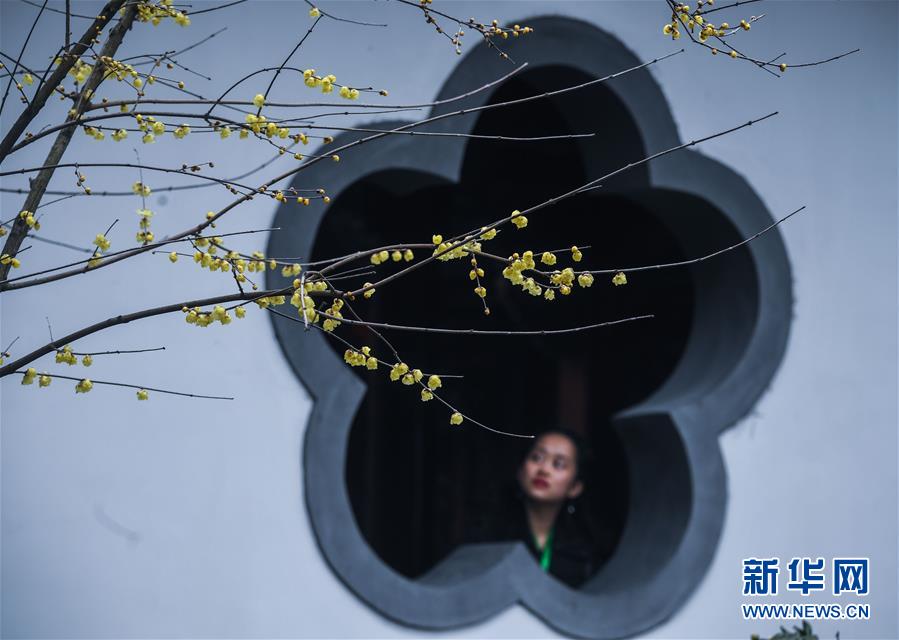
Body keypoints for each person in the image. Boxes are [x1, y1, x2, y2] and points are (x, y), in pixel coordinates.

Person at [465, 428, 610, 588]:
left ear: (575, 487)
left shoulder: (585, 551)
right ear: (520, 471)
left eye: (559, 464)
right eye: (537, 458)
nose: (544, 469)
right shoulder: (488, 535)